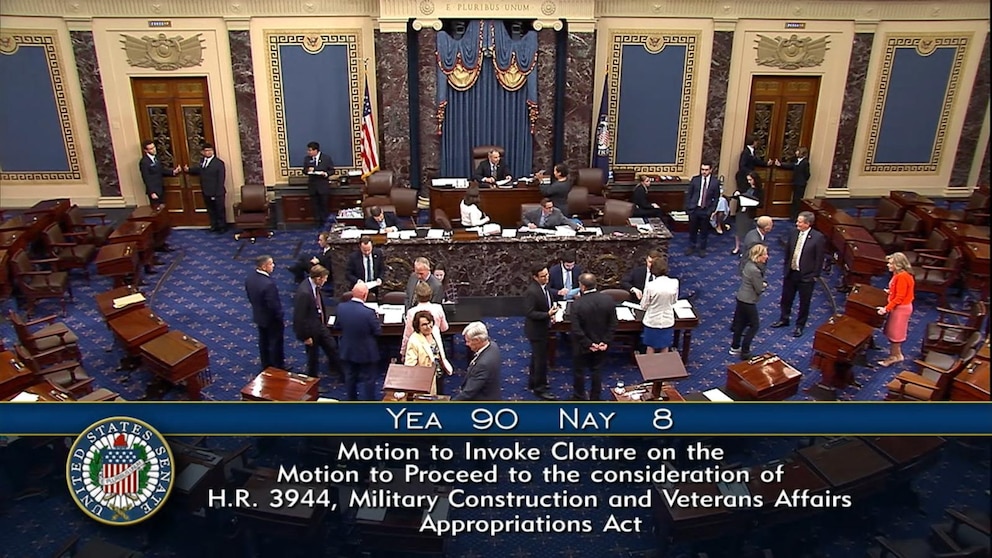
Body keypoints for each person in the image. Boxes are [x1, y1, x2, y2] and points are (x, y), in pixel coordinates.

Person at [771, 211, 826, 337]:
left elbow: (819, 258)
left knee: (804, 302)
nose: (797, 224)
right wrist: (786, 267)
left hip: (806, 276)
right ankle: (784, 319)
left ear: (808, 224)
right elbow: (788, 252)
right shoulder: (793, 233)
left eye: (800, 222)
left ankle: (800, 325)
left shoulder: (818, 237)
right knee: (786, 298)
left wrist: (814, 275)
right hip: (791, 273)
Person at [569, 273, 617, 401]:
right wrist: (605, 342)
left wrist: (589, 344)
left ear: (582, 286)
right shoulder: (608, 300)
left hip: (582, 345)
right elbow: (613, 324)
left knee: (579, 371)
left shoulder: (577, 304)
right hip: (601, 344)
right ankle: (595, 397)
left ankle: (579, 396)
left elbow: (576, 329)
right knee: (597, 370)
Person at [334, 282, 381, 400]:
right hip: (366, 352)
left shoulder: (341, 307)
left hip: (348, 349)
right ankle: (369, 402)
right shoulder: (369, 313)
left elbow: (337, 326)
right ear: (365, 295)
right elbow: (377, 331)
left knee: (350, 377)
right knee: (369, 379)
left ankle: (351, 401)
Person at [292, 265, 338, 378]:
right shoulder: (304, 293)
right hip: (310, 331)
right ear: (318, 278)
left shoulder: (314, 286)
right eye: (325, 278)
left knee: (332, 346)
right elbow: (299, 317)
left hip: (319, 325)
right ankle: (312, 381)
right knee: (313, 358)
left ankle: (336, 369)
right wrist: (305, 337)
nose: (326, 281)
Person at [244, 255, 285, 370]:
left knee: (263, 342)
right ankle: (278, 367)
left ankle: (266, 365)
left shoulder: (250, 278)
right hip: (272, 320)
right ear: (264, 266)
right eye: (271, 264)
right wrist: (280, 316)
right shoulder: (268, 284)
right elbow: (273, 305)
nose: (273, 266)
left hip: (259, 316)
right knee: (275, 343)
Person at [524, 265, 558, 400]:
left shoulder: (545, 286)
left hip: (543, 328)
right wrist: (547, 314)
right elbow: (530, 313)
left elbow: (548, 301)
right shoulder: (532, 292)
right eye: (543, 276)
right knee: (541, 361)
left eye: (547, 274)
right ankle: (540, 388)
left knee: (537, 358)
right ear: (535, 277)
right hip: (536, 331)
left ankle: (533, 382)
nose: (547, 278)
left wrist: (552, 313)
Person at [730, 244, 770, 360]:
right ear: (758, 256)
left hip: (741, 297)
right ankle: (745, 351)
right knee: (754, 325)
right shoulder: (755, 270)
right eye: (765, 254)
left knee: (741, 323)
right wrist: (764, 285)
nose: (767, 257)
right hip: (748, 301)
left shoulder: (748, 264)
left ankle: (735, 347)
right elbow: (758, 288)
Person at [876, 252, 915, 367]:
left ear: (898, 265)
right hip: (899, 307)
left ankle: (894, 357)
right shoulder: (899, 274)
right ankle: (897, 354)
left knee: (896, 335)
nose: (888, 265)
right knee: (892, 332)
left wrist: (886, 309)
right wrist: (890, 292)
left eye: (891, 263)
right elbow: (899, 291)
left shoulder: (902, 276)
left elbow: (899, 297)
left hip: (901, 309)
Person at [404, 310, 452, 395]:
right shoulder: (414, 340)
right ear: (418, 326)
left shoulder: (435, 331)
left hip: (439, 373)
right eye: (424, 324)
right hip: (425, 377)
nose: (428, 326)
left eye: (430, 323)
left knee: (440, 395)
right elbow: (410, 364)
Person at [453, 321, 502, 401]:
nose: (467, 344)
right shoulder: (493, 345)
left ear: (477, 340)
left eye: (468, 341)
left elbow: (468, 393)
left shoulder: (483, 365)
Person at [184, 142, 227, 233]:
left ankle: (222, 227)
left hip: (217, 192)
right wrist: (189, 170)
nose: (208, 152)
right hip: (206, 191)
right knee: (211, 210)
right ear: (203, 152)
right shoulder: (202, 162)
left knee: (219, 210)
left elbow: (221, 179)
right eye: (206, 151)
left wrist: (216, 193)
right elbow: (199, 170)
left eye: (210, 150)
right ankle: (214, 225)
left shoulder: (219, 163)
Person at [640, 259, 679, 354]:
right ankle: (664, 364)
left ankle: (649, 363)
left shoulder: (650, 285)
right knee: (665, 346)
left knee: (650, 346)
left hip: (652, 321)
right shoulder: (674, 282)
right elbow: (674, 301)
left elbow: (644, 306)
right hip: (667, 321)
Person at [400, 281, 449, 357]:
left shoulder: (411, 312)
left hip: (418, 348)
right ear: (430, 295)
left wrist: (403, 352)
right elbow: (444, 328)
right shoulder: (438, 308)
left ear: (416, 296)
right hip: (435, 346)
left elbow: (408, 335)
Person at [684, 162, 721, 257]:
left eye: (706, 170)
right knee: (692, 230)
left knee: (704, 231)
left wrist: (711, 210)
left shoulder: (715, 182)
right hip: (694, 209)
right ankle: (692, 246)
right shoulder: (695, 180)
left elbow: (716, 198)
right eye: (702, 170)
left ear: (710, 170)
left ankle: (702, 248)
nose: (704, 172)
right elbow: (689, 194)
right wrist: (688, 207)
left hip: (706, 210)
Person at [731, 171, 765, 255]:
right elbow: (738, 196)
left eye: (750, 180)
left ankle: (745, 250)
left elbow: (761, 204)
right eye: (748, 180)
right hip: (740, 211)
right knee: (738, 230)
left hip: (749, 213)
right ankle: (737, 247)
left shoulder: (759, 191)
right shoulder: (745, 187)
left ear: (755, 180)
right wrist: (736, 194)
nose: (749, 181)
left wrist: (751, 203)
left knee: (747, 232)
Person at [138, 140, 180, 207]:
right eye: (151, 149)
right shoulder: (144, 162)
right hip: (154, 191)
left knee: (163, 207)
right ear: (146, 150)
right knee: (156, 208)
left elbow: (161, 170)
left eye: (154, 147)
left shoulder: (157, 158)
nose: (154, 150)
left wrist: (173, 172)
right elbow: (146, 178)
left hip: (161, 188)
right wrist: (152, 192)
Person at [304, 141, 334, 227]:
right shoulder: (307, 159)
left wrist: (326, 174)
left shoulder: (326, 158)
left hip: (323, 186)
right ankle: (317, 223)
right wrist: (307, 170)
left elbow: (332, 170)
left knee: (324, 205)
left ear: (316, 150)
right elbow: (304, 170)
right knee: (315, 206)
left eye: (310, 150)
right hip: (312, 186)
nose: (308, 152)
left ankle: (325, 223)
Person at [775, 146, 810, 219]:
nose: (796, 152)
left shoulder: (805, 162)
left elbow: (807, 174)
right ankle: (792, 215)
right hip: (796, 183)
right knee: (794, 200)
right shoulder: (797, 161)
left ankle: (796, 216)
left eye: (797, 151)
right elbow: (791, 165)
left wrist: (802, 180)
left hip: (800, 184)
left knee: (798, 201)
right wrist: (780, 164)